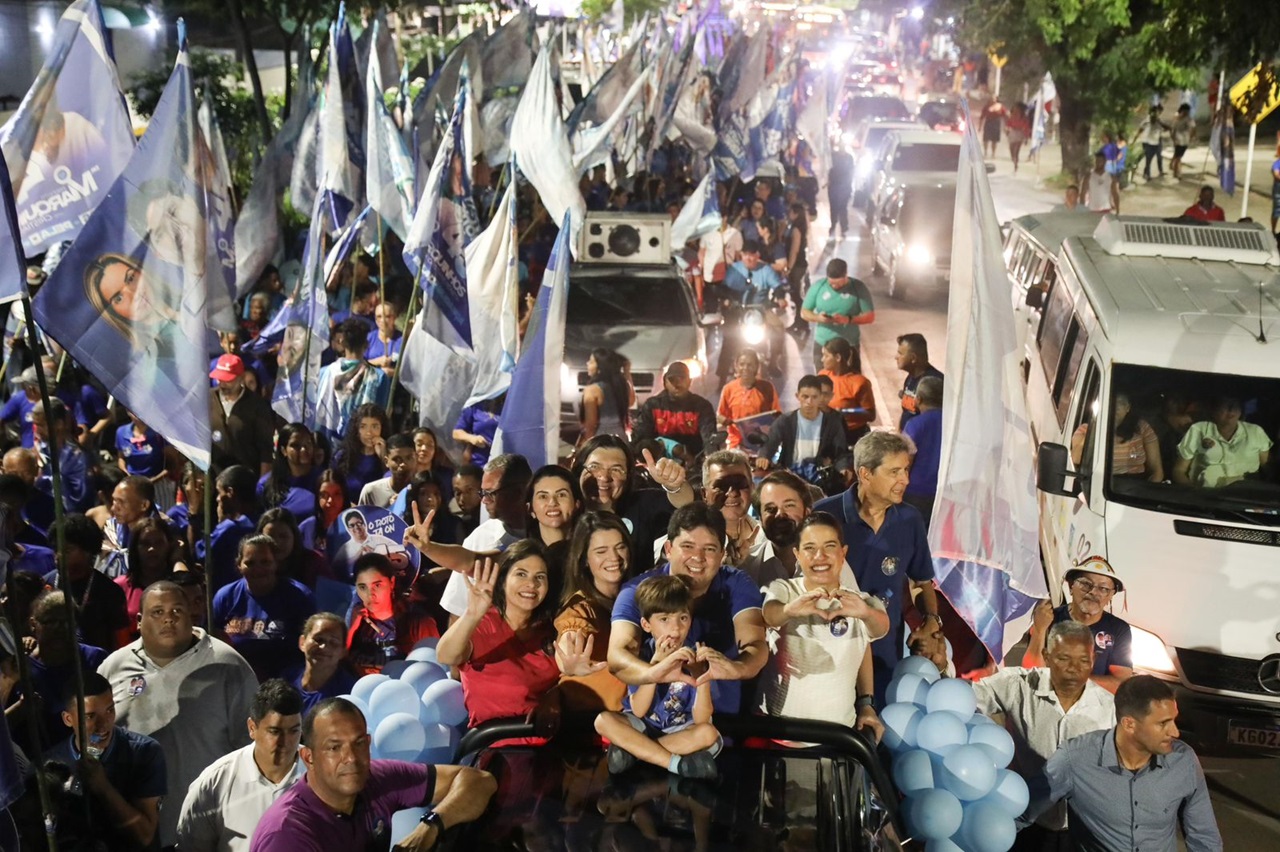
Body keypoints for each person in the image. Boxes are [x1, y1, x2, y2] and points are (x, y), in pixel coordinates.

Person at [98, 580, 258, 849]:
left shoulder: (228, 664)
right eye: (158, 612)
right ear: (138, 620)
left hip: (207, 825)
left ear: (190, 614)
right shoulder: (113, 667)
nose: (168, 620)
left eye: (176, 612)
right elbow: (93, 735)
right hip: (130, 826)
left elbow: (253, 747)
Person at [249, 697, 497, 851]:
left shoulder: (377, 778)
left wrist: (431, 827)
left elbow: (479, 781)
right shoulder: (287, 834)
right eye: (334, 748)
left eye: (358, 743)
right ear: (309, 757)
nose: (351, 757)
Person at [814, 432, 940, 703]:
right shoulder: (823, 516)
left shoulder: (910, 519)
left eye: (906, 470)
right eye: (894, 471)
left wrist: (930, 621)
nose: (905, 480)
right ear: (865, 473)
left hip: (885, 657)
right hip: (829, 656)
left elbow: (921, 583)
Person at [608, 503, 768, 715]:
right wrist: (657, 672)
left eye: (709, 549)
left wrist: (735, 668)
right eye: (688, 546)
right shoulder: (637, 590)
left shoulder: (736, 584)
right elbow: (618, 656)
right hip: (650, 727)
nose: (698, 558)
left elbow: (755, 645)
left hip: (716, 727)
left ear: (722, 554)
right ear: (668, 549)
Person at [1035, 676, 1222, 851]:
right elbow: (1021, 811)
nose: (1175, 732)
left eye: (1174, 721)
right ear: (1129, 724)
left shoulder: (1183, 761)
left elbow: (1204, 837)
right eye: (1163, 723)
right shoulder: (1075, 759)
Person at [974, 622, 1116, 850]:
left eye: (1083, 661)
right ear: (1046, 656)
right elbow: (966, 698)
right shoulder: (1018, 685)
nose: (1074, 668)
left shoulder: (1109, 709)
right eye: (1063, 659)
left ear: (1093, 661)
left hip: (1083, 832)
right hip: (1024, 822)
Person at [760, 513, 888, 735]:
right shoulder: (785, 590)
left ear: (843, 553)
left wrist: (865, 613)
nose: (820, 556)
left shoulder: (859, 601)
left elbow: (881, 627)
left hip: (838, 738)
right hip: (779, 736)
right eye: (810, 548)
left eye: (829, 546)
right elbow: (770, 614)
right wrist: (790, 610)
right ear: (797, 555)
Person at [594, 575, 722, 779]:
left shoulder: (696, 657)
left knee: (708, 733)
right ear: (646, 624)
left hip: (681, 731)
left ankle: (635, 753)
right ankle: (677, 764)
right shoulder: (641, 656)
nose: (676, 628)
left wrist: (701, 676)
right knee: (603, 721)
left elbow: (702, 719)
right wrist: (654, 669)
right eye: (664, 619)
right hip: (644, 727)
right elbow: (639, 709)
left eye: (683, 618)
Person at [436, 541, 562, 728]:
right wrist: (472, 614)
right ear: (503, 581)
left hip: (552, 745)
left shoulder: (552, 628)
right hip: (497, 747)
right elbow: (445, 655)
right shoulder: (484, 623)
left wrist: (557, 695)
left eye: (540, 577)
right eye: (521, 574)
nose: (531, 584)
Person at [177, 679, 306, 852]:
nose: (285, 742)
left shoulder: (323, 772)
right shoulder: (215, 782)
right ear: (252, 728)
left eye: (294, 731)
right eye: (275, 732)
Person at [44, 672, 166, 852]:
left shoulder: (144, 752)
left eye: (110, 710)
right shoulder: (49, 764)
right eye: (90, 716)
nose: (103, 725)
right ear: (68, 719)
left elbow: (144, 836)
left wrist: (103, 788)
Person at [571, 436, 693, 572]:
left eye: (616, 469)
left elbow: (684, 504)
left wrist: (674, 484)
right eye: (594, 467)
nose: (604, 477)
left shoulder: (640, 505)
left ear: (628, 476)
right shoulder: (566, 509)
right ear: (579, 469)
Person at [555, 512, 635, 713]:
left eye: (620, 547)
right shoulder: (579, 608)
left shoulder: (642, 595)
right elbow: (570, 633)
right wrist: (570, 664)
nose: (614, 558)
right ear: (584, 559)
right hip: (596, 726)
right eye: (601, 551)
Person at [213, 534, 317, 681]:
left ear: (277, 563)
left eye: (265, 562)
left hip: (284, 682)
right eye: (250, 563)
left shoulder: (300, 597)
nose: (258, 569)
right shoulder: (225, 597)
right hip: (234, 680)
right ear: (239, 565)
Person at [1023, 556, 1134, 692]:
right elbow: (1031, 672)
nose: (1093, 592)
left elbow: (1121, 683)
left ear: (1111, 595)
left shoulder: (1119, 629)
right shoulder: (1048, 619)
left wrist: (1068, 681)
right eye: (1086, 584)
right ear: (1071, 586)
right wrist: (1039, 631)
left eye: (1103, 588)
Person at [44, 513, 131, 651]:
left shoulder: (108, 592)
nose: (59, 557)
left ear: (88, 551)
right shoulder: (46, 584)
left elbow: (121, 643)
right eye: (56, 550)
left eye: (68, 550)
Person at [346, 553, 438, 674]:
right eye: (363, 587)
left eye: (377, 585)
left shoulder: (419, 622)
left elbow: (436, 666)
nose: (370, 594)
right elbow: (339, 662)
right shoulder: (355, 620)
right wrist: (351, 629)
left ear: (392, 582)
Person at [315, 319, 391, 444]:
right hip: (362, 444)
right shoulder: (379, 377)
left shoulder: (324, 373)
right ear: (366, 345)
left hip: (327, 443)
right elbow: (380, 415)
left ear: (342, 342)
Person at [1171, 395, 1272, 487]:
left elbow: (1268, 468)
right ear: (1213, 410)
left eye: (1235, 405)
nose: (1231, 410)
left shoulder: (1255, 431)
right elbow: (1179, 471)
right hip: (1207, 497)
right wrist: (1194, 492)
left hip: (1246, 497)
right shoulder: (1199, 429)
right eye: (1226, 405)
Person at [756, 375, 846, 473]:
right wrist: (763, 457)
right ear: (797, 396)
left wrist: (843, 468)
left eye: (814, 397)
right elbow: (770, 443)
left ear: (820, 397)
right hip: (790, 476)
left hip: (820, 477)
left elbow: (841, 453)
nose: (809, 402)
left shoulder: (832, 423)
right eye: (805, 397)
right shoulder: (785, 420)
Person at [800, 258, 875, 373]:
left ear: (846, 275)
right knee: (823, 383)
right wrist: (818, 318)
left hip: (849, 345)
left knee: (850, 382)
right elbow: (804, 312)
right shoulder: (818, 287)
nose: (834, 286)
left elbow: (870, 316)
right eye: (831, 283)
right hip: (823, 344)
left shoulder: (858, 288)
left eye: (838, 283)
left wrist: (848, 319)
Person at [631, 361, 717, 460]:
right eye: (672, 380)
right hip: (660, 464)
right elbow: (640, 440)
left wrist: (710, 460)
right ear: (665, 382)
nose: (677, 384)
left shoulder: (702, 406)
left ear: (689, 381)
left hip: (694, 464)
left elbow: (710, 440)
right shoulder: (652, 406)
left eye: (681, 379)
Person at [1071, 392, 1163, 483]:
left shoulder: (1141, 428)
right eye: (1110, 402)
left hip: (1136, 484)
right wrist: (1097, 427)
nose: (1115, 407)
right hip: (1098, 484)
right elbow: (1076, 459)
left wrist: (1147, 490)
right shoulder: (1085, 430)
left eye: (1121, 403)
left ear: (1128, 408)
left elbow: (1157, 471)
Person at [210, 354, 275, 477]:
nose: (223, 384)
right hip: (214, 478)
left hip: (246, 479)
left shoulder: (258, 406)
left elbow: (266, 453)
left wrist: (261, 486)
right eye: (220, 379)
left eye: (228, 380)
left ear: (241, 378)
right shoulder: (207, 399)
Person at [117, 517, 183, 636]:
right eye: (145, 544)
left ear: (169, 545)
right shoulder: (120, 587)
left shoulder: (180, 585)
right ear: (135, 548)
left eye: (158, 543)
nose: (152, 549)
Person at [199, 465, 259, 592]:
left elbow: (202, 553)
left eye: (219, 492)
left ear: (230, 492)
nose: (217, 498)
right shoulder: (261, 520)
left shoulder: (229, 528)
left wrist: (221, 523)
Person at [286, 613, 357, 714]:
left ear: (343, 652)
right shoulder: (287, 680)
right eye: (318, 639)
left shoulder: (348, 693)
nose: (324, 647)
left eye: (333, 643)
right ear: (302, 642)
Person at [32, 398, 92, 513]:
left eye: (40, 425)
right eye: (35, 425)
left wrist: (43, 481)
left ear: (58, 424)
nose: (36, 431)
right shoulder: (39, 449)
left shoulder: (78, 459)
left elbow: (79, 502)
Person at [259, 423, 321, 524]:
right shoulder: (265, 485)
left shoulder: (324, 478)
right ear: (284, 450)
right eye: (296, 445)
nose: (303, 449)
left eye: (308, 443)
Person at [717, 349, 778, 451]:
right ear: (736, 366)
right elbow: (720, 415)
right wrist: (723, 420)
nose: (745, 368)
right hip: (736, 443)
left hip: (761, 442)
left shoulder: (767, 387)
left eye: (750, 365)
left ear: (756, 367)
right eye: (742, 364)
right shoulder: (728, 389)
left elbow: (777, 414)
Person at [257, 507, 331, 590]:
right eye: (270, 537)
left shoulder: (314, 563)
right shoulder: (254, 566)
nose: (277, 543)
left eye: (283, 536)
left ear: (294, 537)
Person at [901, 375, 943, 524]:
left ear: (918, 399)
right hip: (944, 493)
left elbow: (905, 461)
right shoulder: (951, 424)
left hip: (916, 495)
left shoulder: (913, 425)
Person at [820, 337, 876, 443]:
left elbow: (870, 414)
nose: (822, 359)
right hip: (827, 434)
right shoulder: (822, 375)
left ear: (837, 357)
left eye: (826, 356)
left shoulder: (859, 382)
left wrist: (845, 411)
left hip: (852, 436)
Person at [331, 404, 390, 505]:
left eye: (375, 426)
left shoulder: (391, 456)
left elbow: (391, 486)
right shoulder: (343, 456)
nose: (369, 433)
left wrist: (384, 457)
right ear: (357, 430)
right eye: (363, 427)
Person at [578, 348, 633, 444]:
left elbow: (590, 425)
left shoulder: (592, 390)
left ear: (600, 367)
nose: (587, 363)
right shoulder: (620, 385)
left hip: (601, 438)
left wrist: (585, 445)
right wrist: (627, 373)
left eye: (591, 362)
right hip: (621, 437)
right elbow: (631, 402)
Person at [896, 333, 944, 430]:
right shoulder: (910, 378)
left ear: (913, 358)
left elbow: (935, 421)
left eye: (900, 353)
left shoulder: (933, 382)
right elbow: (906, 413)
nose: (896, 357)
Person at [357, 432, 418, 508]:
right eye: (397, 459)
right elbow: (363, 519)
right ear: (386, 461)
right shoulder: (371, 491)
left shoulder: (423, 491)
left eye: (409, 458)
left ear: (416, 458)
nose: (403, 464)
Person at [453, 395, 504, 467]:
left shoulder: (512, 406)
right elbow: (456, 433)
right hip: (478, 465)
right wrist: (472, 438)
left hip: (503, 465)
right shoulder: (475, 405)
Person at [363, 302, 402, 377]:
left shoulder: (402, 339)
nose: (383, 320)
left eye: (387, 316)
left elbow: (409, 369)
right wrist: (377, 362)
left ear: (394, 317)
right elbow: (360, 363)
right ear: (375, 319)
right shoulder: (369, 338)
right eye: (379, 316)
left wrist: (393, 373)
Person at [1137, 106, 1169, 181]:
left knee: (1152, 158)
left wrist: (1160, 125)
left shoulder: (1158, 121)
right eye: (1156, 112)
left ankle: (1146, 173)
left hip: (1155, 142)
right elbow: (1140, 129)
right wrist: (1135, 139)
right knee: (1148, 159)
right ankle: (1147, 174)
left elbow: (1167, 128)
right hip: (1147, 142)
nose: (1157, 114)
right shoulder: (1147, 121)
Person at [828, 149, 854, 238]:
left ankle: (843, 227)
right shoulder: (833, 156)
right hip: (834, 186)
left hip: (845, 187)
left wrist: (849, 186)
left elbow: (851, 172)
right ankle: (833, 225)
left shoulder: (849, 158)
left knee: (843, 208)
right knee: (833, 207)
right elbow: (828, 167)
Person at [1170, 103, 1194, 179]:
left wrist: (1191, 137)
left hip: (1185, 141)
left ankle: (1173, 167)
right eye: (1186, 111)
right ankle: (1177, 172)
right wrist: (1173, 138)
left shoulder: (1189, 119)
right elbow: (1173, 129)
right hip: (1178, 140)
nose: (1187, 113)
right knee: (1178, 157)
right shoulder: (1176, 118)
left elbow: (1193, 128)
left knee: (1177, 156)